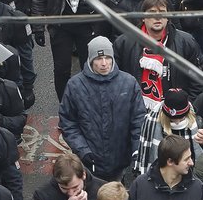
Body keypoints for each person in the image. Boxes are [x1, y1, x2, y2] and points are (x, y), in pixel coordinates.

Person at [57, 34, 146, 184]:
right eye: (98, 59)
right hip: (89, 164)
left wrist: (137, 150)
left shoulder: (129, 83)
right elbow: (68, 122)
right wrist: (83, 150)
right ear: (90, 60)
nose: (104, 63)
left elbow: (138, 121)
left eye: (107, 58)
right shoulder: (75, 86)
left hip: (120, 163)